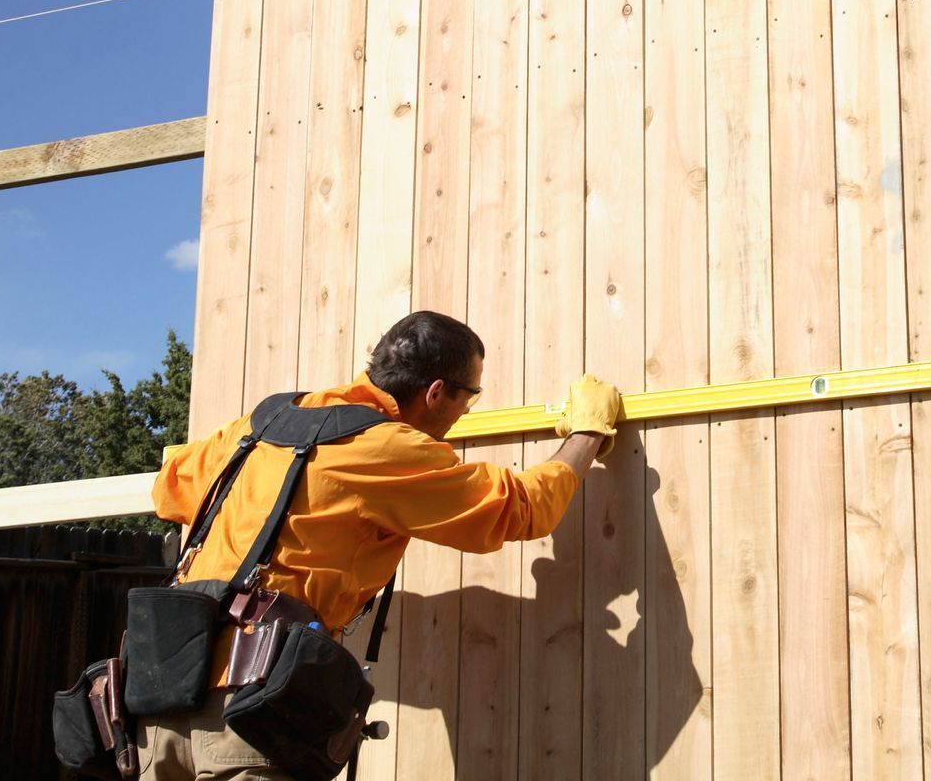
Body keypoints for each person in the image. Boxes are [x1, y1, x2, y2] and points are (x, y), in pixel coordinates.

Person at [133, 309, 625, 780]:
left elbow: (169, 488)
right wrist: (586, 432)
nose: (464, 413)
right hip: (247, 715)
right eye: (469, 399)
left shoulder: (262, 423)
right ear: (436, 393)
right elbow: (521, 508)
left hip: (160, 705)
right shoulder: (387, 448)